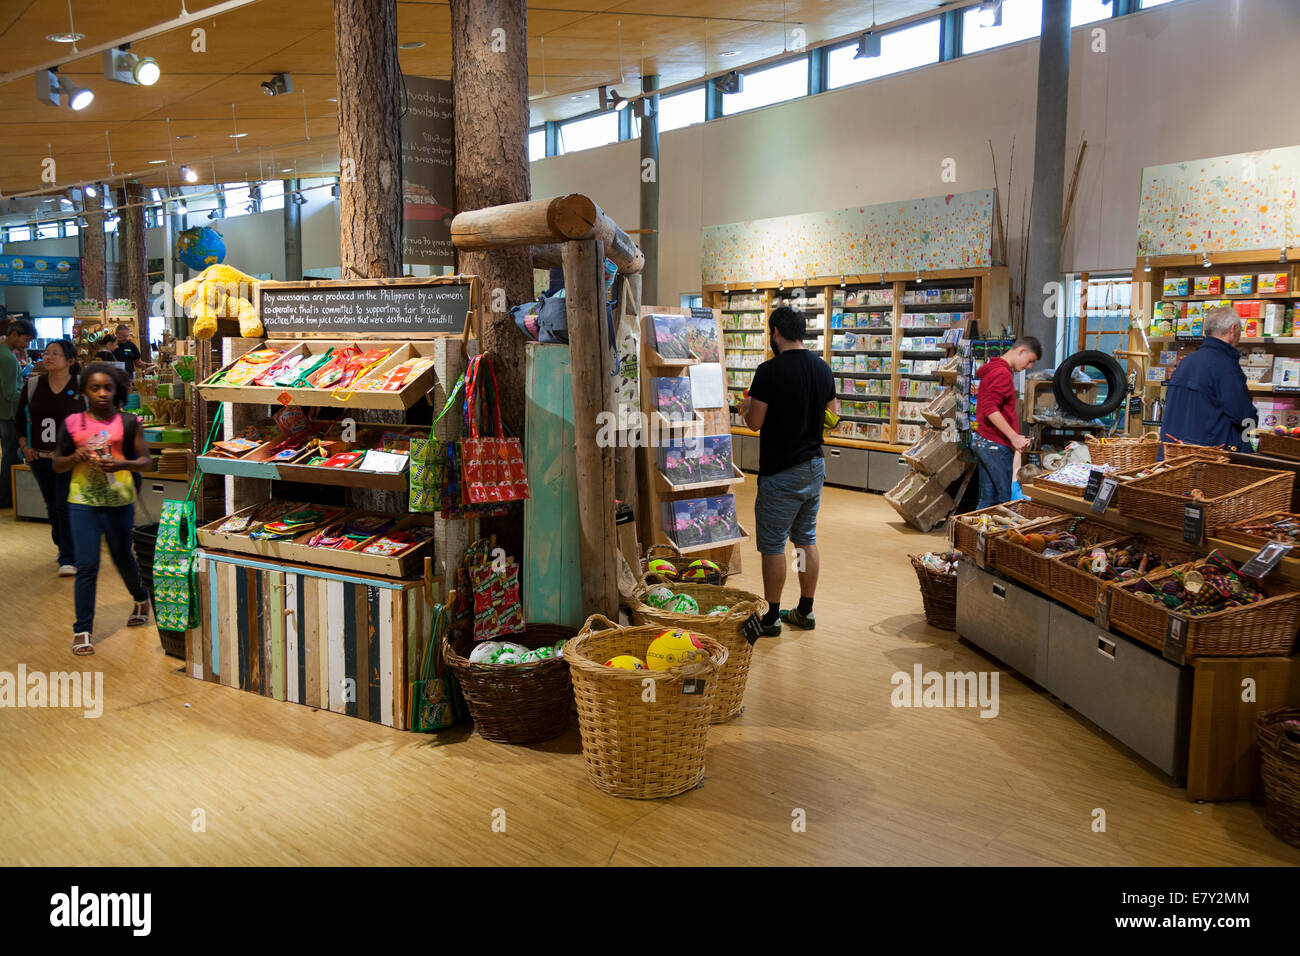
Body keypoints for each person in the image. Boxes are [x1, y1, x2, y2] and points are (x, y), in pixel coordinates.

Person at [740, 306, 835, 636]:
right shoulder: (823, 368)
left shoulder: (768, 371)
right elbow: (833, 416)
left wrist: (743, 408)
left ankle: (771, 618)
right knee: (805, 539)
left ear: (776, 331)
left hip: (781, 470)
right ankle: (805, 610)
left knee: (773, 545)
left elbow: (755, 423)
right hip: (814, 465)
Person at [52, 363, 152, 655]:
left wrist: (123, 463)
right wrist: (75, 456)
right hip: (82, 503)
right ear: (84, 391)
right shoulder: (72, 423)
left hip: (119, 502)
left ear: (116, 390)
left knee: (123, 558)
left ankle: (140, 596)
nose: (102, 393)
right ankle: (82, 629)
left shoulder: (129, 421)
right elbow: (57, 464)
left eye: (108, 388)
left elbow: (146, 462)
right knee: (87, 565)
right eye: (95, 388)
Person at [16, 339, 84, 575]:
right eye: (47, 353)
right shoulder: (33, 384)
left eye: (56, 354)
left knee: (65, 505)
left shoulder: (80, 386)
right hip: (40, 458)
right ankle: (63, 545)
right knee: (52, 506)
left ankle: (68, 557)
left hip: (69, 459)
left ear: (70, 360)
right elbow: (19, 418)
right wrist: (25, 446)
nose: (49, 357)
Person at [1160, 305, 1255, 452]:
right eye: (1239, 330)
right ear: (1232, 329)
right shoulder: (1226, 366)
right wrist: (1251, 427)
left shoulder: (1186, 362)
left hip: (1174, 452)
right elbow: (1243, 417)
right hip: (1211, 458)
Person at [972, 336, 1042, 510]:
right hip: (995, 444)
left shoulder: (994, 369)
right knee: (1006, 499)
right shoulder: (1001, 373)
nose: (1029, 366)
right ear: (1021, 351)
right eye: (1030, 360)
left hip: (984, 441)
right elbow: (990, 408)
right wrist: (1014, 437)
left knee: (989, 499)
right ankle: (1001, 537)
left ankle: (978, 536)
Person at [1, 318, 37, 510]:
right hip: (8, 415)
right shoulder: (7, 358)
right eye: (25, 340)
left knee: (9, 454)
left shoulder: (5, 353)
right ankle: (6, 497)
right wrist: (28, 396)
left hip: (5, 413)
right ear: (14, 334)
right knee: (10, 455)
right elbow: (9, 393)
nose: (27, 345)